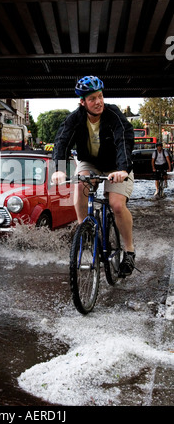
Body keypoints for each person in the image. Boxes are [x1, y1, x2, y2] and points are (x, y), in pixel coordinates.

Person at [51, 75, 136, 278]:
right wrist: (59, 169)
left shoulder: (113, 114)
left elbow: (124, 138)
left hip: (117, 164)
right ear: (82, 102)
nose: (98, 102)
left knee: (116, 205)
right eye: (92, 99)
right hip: (91, 162)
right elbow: (61, 142)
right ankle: (85, 231)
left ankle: (130, 251)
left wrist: (123, 169)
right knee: (80, 186)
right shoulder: (75, 118)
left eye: (100, 96)